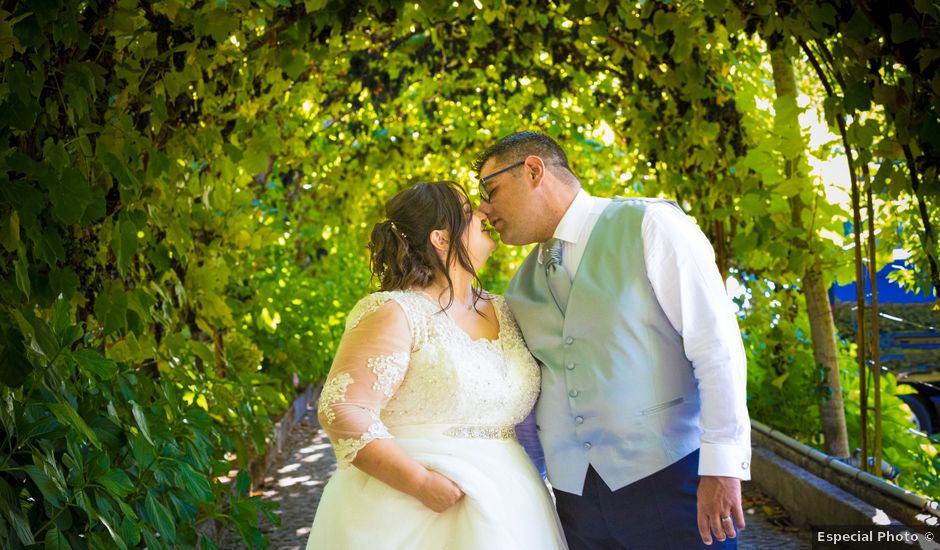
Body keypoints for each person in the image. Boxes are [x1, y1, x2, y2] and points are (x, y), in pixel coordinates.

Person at [476, 132, 751, 549]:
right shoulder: (519, 288)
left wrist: (722, 467)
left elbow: (716, 346)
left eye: (490, 189)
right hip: (575, 501)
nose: (484, 208)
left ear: (533, 171)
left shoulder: (650, 224)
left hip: (674, 476)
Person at [305, 181, 567, 549]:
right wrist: (420, 484)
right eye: (467, 210)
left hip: (513, 501)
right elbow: (342, 408)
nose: (483, 211)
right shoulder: (396, 311)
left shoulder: (505, 309)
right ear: (441, 239)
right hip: (412, 509)